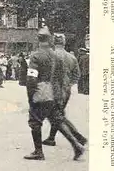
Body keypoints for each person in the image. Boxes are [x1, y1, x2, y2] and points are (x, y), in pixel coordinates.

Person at [23, 26, 85, 161]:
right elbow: (61, 77)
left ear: (38, 39)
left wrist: (30, 96)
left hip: (41, 92)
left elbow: (31, 78)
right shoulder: (56, 56)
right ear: (49, 39)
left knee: (35, 122)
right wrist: (59, 94)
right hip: (54, 92)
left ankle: (38, 152)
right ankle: (76, 145)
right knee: (57, 119)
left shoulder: (36, 56)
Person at [43, 33, 87, 147]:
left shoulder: (50, 55)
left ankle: (78, 138)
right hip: (66, 90)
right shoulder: (71, 57)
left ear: (53, 42)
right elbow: (77, 74)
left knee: (56, 115)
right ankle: (52, 138)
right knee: (58, 114)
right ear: (64, 42)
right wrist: (69, 84)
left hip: (53, 90)